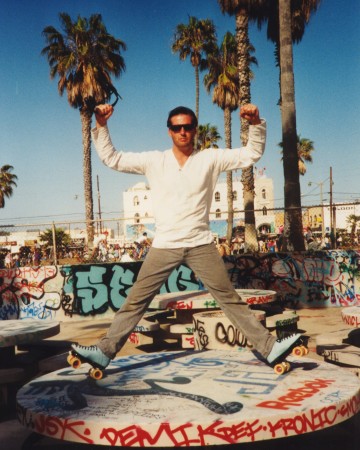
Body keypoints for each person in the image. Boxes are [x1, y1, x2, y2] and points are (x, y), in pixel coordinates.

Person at [71, 103, 301, 370]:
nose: (182, 132)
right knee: (136, 300)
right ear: (169, 131)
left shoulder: (209, 159)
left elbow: (251, 154)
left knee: (229, 299)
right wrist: (101, 125)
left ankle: (270, 349)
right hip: (164, 244)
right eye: (176, 127)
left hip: (200, 243)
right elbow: (113, 158)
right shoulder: (154, 161)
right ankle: (104, 351)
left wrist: (255, 123)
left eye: (188, 127)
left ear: (195, 130)